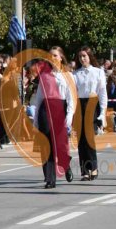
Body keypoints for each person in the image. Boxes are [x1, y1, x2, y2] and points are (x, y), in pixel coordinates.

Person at [32, 57, 75, 189]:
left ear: (61, 58)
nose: (53, 58)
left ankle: (65, 163)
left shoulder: (67, 75)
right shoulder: (44, 75)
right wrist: (35, 118)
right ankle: (50, 179)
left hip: (60, 108)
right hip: (45, 109)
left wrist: (69, 115)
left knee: (60, 144)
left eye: (55, 55)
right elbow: (39, 97)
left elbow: (71, 98)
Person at [73, 46, 107, 181]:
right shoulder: (75, 74)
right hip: (79, 104)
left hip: (92, 104)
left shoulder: (98, 72)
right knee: (81, 139)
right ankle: (85, 171)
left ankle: (93, 167)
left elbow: (102, 93)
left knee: (89, 138)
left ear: (89, 57)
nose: (82, 59)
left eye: (84, 56)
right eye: (80, 56)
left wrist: (103, 112)